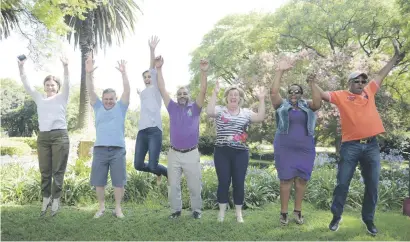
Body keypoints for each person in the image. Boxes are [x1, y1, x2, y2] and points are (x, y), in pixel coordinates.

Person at [314, 40, 406, 235]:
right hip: (350, 146)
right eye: (357, 81)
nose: (362, 83)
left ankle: (369, 220)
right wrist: (312, 82)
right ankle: (336, 216)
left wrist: (395, 58)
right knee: (342, 183)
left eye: (364, 81)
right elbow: (321, 95)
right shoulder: (341, 95)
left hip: (372, 146)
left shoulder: (369, 92)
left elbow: (382, 74)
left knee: (372, 185)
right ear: (350, 83)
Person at [154, 56, 209, 219]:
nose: (182, 95)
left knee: (194, 185)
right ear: (177, 96)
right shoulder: (172, 107)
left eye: (185, 93)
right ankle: (176, 211)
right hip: (174, 153)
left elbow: (203, 90)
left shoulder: (196, 108)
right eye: (180, 93)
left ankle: (197, 211)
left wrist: (203, 72)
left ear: (189, 96)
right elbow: (162, 89)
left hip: (191, 153)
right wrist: (159, 69)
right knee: (173, 185)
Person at [270, 57, 322, 225]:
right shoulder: (281, 105)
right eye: (291, 91)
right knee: (285, 179)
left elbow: (318, 102)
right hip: (284, 148)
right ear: (288, 94)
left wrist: (312, 83)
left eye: (297, 91)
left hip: (305, 148)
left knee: (301, 179)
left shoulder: (307, 105)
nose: (293, 94)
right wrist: (280, 71)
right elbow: (273, 92)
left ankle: (297, 212)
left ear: (301, 94)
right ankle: (283, 213)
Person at [206, 80, 266, 223]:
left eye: (236, 95)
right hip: (222, 152)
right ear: (226, 97)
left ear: (240, 98)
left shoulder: (246, 112)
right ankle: (221, 213)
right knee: (223, 182)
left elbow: (260, 117)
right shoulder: (220, 110)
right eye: (231, 94)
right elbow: (209, 112)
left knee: (239, 182)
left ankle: (239, 214)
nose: (233, 96)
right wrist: (214, 93)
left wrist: (262, 99)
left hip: (241, 153)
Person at [18, 55, 70, 217]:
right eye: (47, 85)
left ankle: (56, 199)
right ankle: (46, 198)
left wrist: (66, 67)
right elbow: (27, 85)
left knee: (58, 171)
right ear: (44, 86)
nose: (50, 87)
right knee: (45, 171)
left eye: (53, 85)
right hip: (43, 137)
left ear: (57, 87)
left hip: (60, 136)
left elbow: (68, 82)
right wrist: (21, 67)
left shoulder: (62, 97)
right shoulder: (39, 98)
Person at [85, 54, 130, 218]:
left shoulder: (121, 107)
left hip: (118, 150)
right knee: (99, 181)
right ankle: (102, 207)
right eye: (106, 99)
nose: (108, 101)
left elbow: (127, 90)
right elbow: (90, 90)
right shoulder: (97, 107)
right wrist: (88, 74)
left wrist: (124, 74)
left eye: (111, 99)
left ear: (115, 99)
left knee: (119, 181)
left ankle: (118, 208)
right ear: (102, 99)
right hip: (100, 149)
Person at [134, 36, 167, 181]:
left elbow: (152, 70)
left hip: (154, 131)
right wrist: (138, 93)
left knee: (153, 166)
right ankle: (159, 172)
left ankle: (169, 175)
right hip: (142, 132)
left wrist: (152, 50)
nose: (148, 78)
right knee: (138, 165)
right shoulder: (143, 93)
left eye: (149, 77)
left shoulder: (156, 89)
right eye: (145, 77)